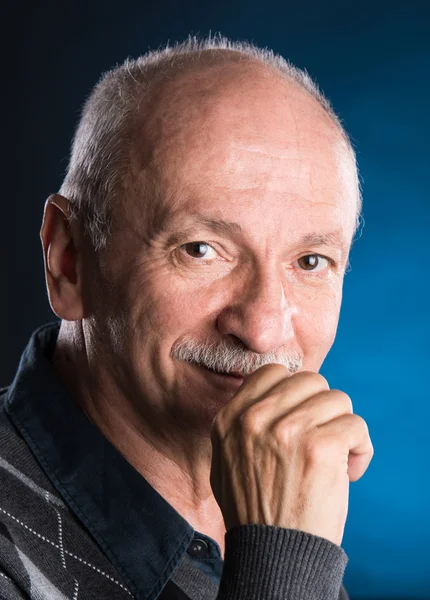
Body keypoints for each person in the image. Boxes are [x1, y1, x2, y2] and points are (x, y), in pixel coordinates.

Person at [0, 36, 373, 600]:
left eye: (311, 261)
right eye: (201, 250)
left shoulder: (292, 502)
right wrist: (284, 561)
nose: (263, 329)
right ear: (69, 260)